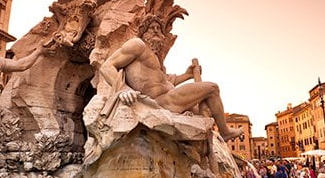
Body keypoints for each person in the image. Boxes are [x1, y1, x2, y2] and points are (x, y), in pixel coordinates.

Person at [99, 8, 242, 142]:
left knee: (205, 111)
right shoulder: (137, 45)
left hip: (170, 98)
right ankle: (225, 132)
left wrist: (186, 75)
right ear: (143, 32)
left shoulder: (154, 58)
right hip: (163, 102)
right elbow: (106, 67)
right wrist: (123, 89)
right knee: (212, 88)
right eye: (151, 28)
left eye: (158, 29)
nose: (156, 31)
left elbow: (166, 82)